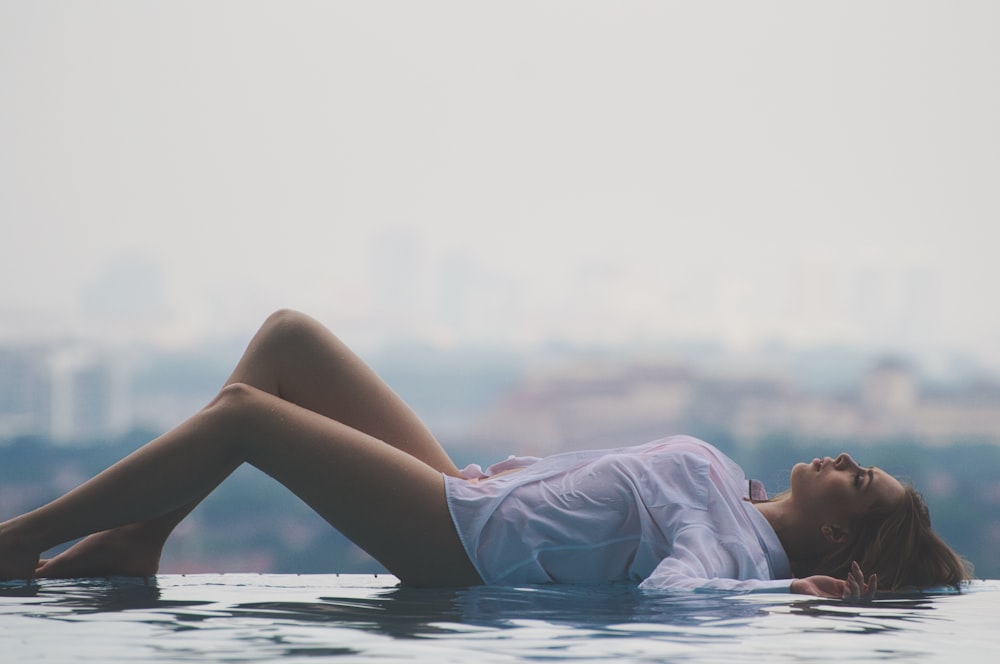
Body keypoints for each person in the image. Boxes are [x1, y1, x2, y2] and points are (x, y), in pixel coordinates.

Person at [0, 310, 971, 597]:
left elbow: (676, 601)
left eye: (859, 474)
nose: (845, 455)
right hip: (471, 492)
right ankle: (139, 540)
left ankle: (22, 538)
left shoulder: (729, 554)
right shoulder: (732, 484)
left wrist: (783, 601)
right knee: (288, 339)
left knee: (247, 413)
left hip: (466, 545)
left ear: (840, 524)